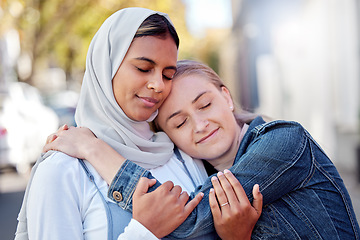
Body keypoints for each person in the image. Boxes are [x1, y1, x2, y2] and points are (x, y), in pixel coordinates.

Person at [16, 8, 261, 240]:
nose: (158, 85)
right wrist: (143, 232)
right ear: (107, 65)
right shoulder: (64, 170)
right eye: (144, 68)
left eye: (167, 75)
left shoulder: (181, 154)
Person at [46, 59, 360, 239]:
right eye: (179, 123)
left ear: (226, 97)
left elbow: (185, 218)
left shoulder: (283, 141)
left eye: (205, 105)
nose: (200, 125)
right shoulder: (195, 175)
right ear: (168, 137)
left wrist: (93, 149)